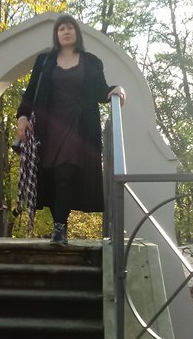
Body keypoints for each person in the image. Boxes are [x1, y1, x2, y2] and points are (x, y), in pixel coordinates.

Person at [15, 13, 125, 245]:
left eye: (70, 28)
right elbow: (31, 92)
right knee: (52, 176)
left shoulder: (91, 62)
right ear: (56, 34)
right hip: (48, 128)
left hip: (79, 128)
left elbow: (100, 91)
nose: (66, 32)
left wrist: (117, 90)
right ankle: (59, 225)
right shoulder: (44, 61)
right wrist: (22, 116)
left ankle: (60, 228)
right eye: (61, 28)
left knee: (65, 173)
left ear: (77, 32)